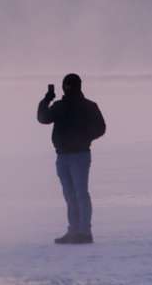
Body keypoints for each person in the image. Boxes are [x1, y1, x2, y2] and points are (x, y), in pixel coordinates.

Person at [37, 73, 106, 244]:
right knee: (70, 195)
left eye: (70, 85)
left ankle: (84, 232)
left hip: (79, 155)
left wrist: (84, 138)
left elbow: (101, 128)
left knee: (80, 194)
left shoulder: (88, 106)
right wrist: (47, 99)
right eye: (66, 84)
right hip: (63, 156)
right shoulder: (61, 106)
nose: (68, 87)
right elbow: (43, 118)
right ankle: (74, 230)